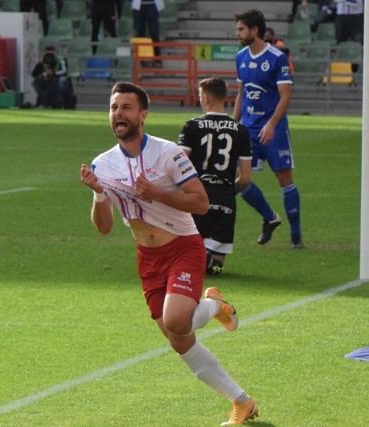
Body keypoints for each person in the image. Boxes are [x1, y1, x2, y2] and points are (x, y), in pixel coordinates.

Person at [80, 82, 259, 426]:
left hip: (182, 246)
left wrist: (156, 194)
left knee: (178, 320)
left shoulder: (167, 154)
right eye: (114, 107)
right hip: (147, 259)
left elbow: (201, 203)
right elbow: (103, 228)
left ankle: (214, 306)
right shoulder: (104, 163)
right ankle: (242, 401)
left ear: (143, 115)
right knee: (180, 342)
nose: (119, 113)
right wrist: (99, 194)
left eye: (126, 108)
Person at [233, 9, 304, 249]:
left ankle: (296, 236)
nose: (237, 33)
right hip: (249, 128)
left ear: (254, 30)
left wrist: (272, 124)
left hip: (274, 128)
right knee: (240, 180)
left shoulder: (277, 57)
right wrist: (234, 126)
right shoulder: (241, 56)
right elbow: (241, 93)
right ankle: (270, 218)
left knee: (284, 179)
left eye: (241, 29)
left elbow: (286, 96)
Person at [177, 77, 252, 275]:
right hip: (225, 201)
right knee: (217, 267)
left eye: (201, 97)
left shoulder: (191, 127)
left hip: (196, 198)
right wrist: (227, 191)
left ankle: (191, 263)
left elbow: (179, 164)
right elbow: (245, 178)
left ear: (206, 98)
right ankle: (208, 262)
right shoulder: (241, 131)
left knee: (188, 254)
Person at [131, 0, 163, 65]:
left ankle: (157, 58)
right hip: (138, 6)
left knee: (154, 33)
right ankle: (141, 59)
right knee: (139, 33)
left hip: (152, 4)